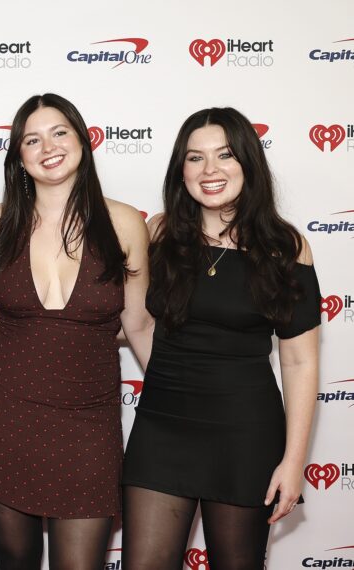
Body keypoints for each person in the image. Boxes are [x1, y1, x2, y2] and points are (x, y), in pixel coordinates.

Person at [121, 107, 321, 569]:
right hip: (162, 428)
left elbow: (299, 362)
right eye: (195, 158)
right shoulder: (160, 232)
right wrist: (176, 381)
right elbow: (143, 324)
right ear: (181, 170)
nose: (210, 170)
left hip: (245, 435)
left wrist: (294, 462)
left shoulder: (284, 247)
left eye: (224, 155)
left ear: (248, 162)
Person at [0, 93, 154, 570]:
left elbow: (139, 323)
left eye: (59, 132)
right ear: (19, 157)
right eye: (32, 139)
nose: (47, 146)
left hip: (88, 419)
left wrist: (181, 401)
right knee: (16, 558)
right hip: (5, 408)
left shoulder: (125, 222)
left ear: (83, 140)